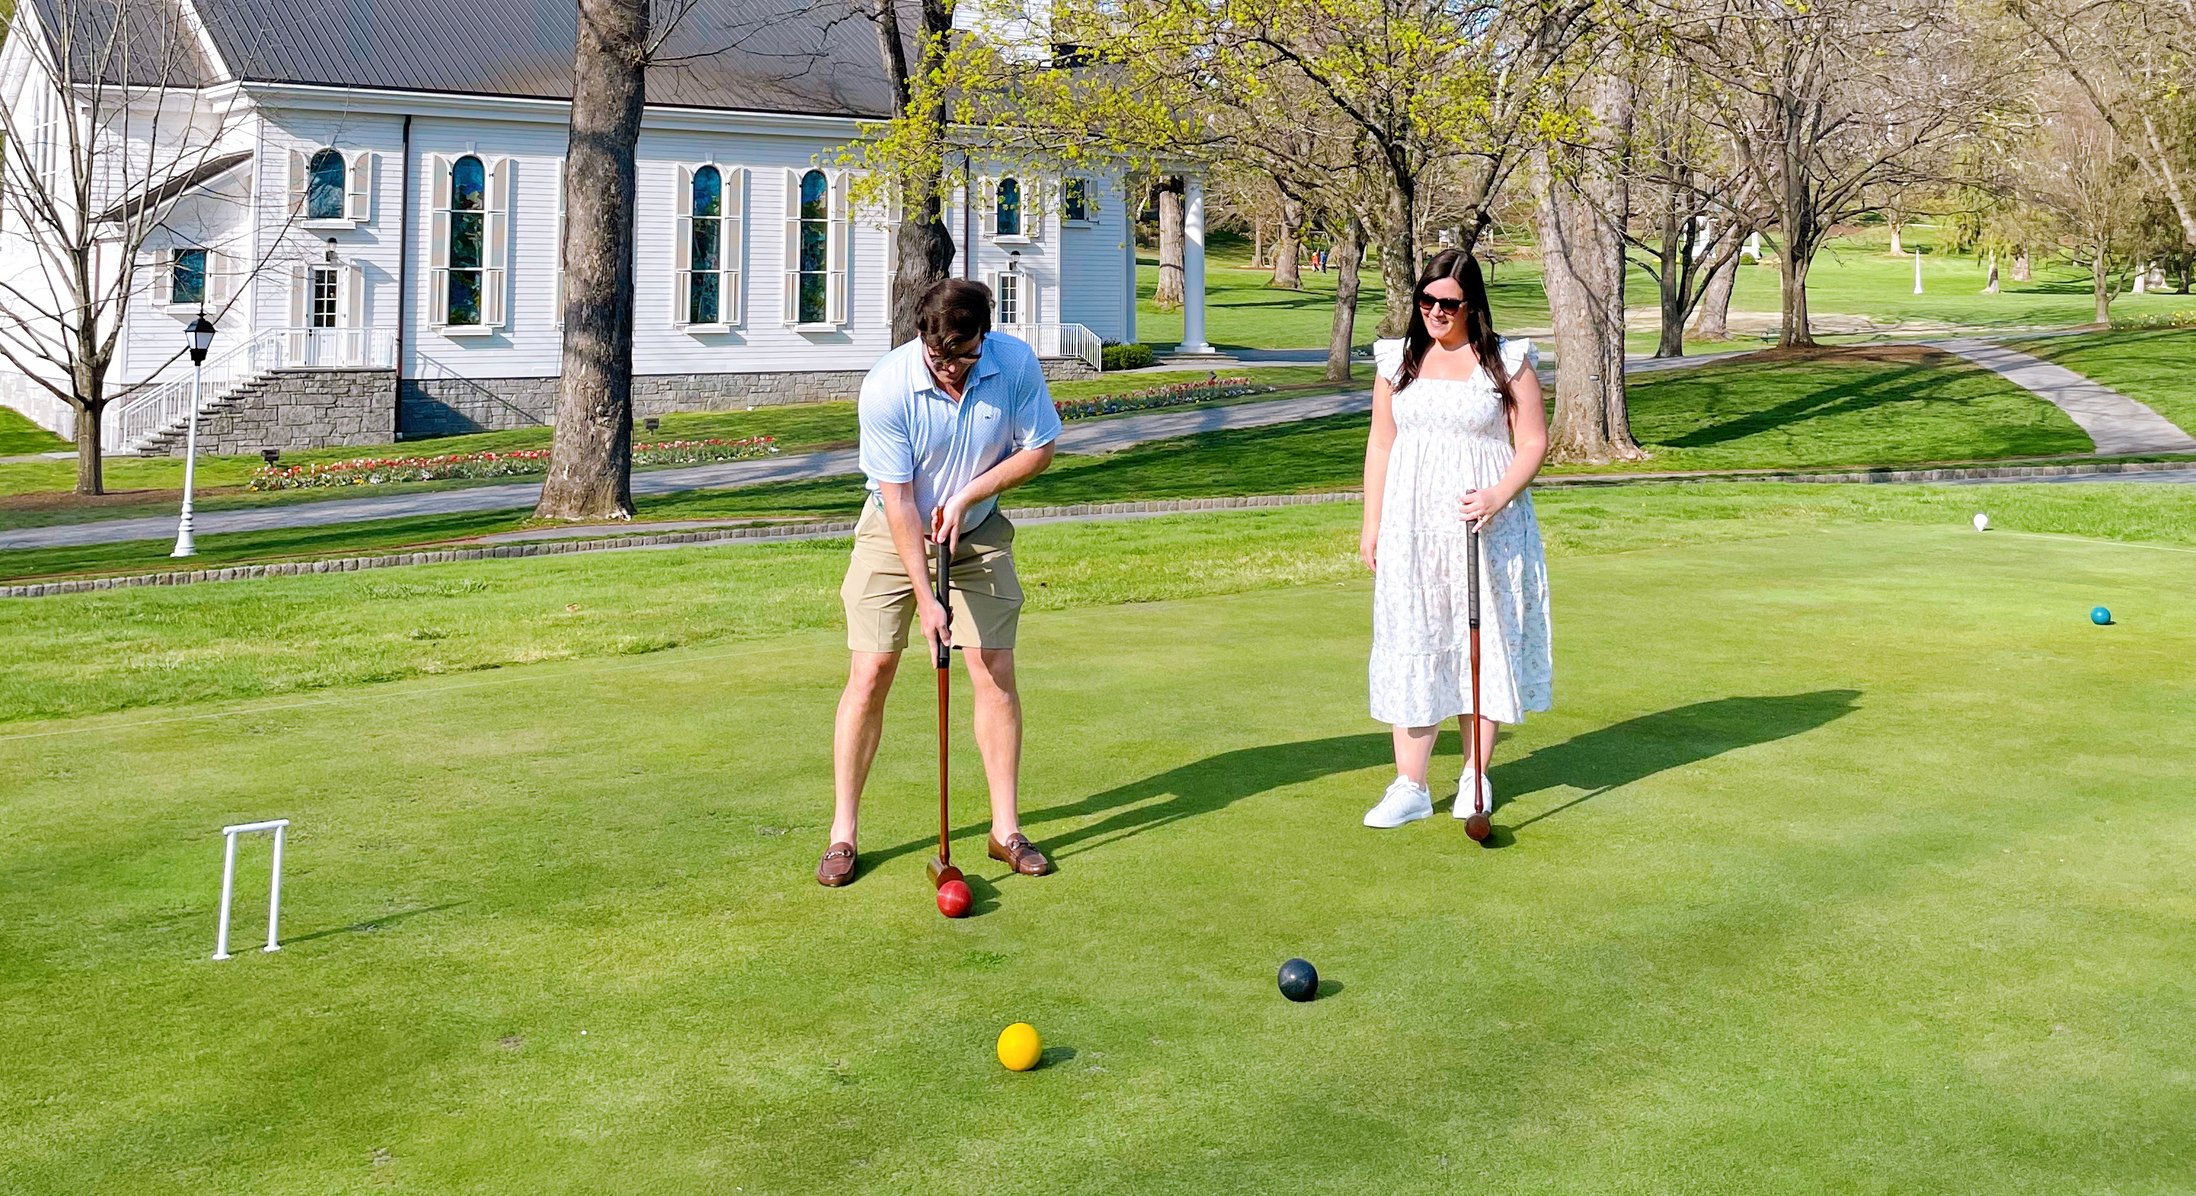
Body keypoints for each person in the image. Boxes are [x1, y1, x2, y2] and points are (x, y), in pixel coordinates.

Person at [818, 279, 1063, 886]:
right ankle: (843, 834)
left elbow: (1042, 448)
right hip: (891, 528)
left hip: (975, 530)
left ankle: (1005, 831)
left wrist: (969, 495)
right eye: (940, 357)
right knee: (871, 671)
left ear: (987, 333)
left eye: (964, 355)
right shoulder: (887, 386)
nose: (952, 369)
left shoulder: (1013, 364)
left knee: (994, 667)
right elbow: (898, 501)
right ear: (922, 339)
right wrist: (926, 599)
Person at [1358, 249, 1553, 828]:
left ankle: (1474, 777)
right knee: (1414, 637)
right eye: (1427, 301)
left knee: (1479, 644)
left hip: (1485, 528)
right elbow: (1381, 444)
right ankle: (1410, 786)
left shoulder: (1505, 362)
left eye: (1448, 303)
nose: (1435, 312)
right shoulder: (1397, 360)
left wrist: (1498, 495)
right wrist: (1372, 523)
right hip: (1411, 527)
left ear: (1471, 306)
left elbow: (1534, 443)